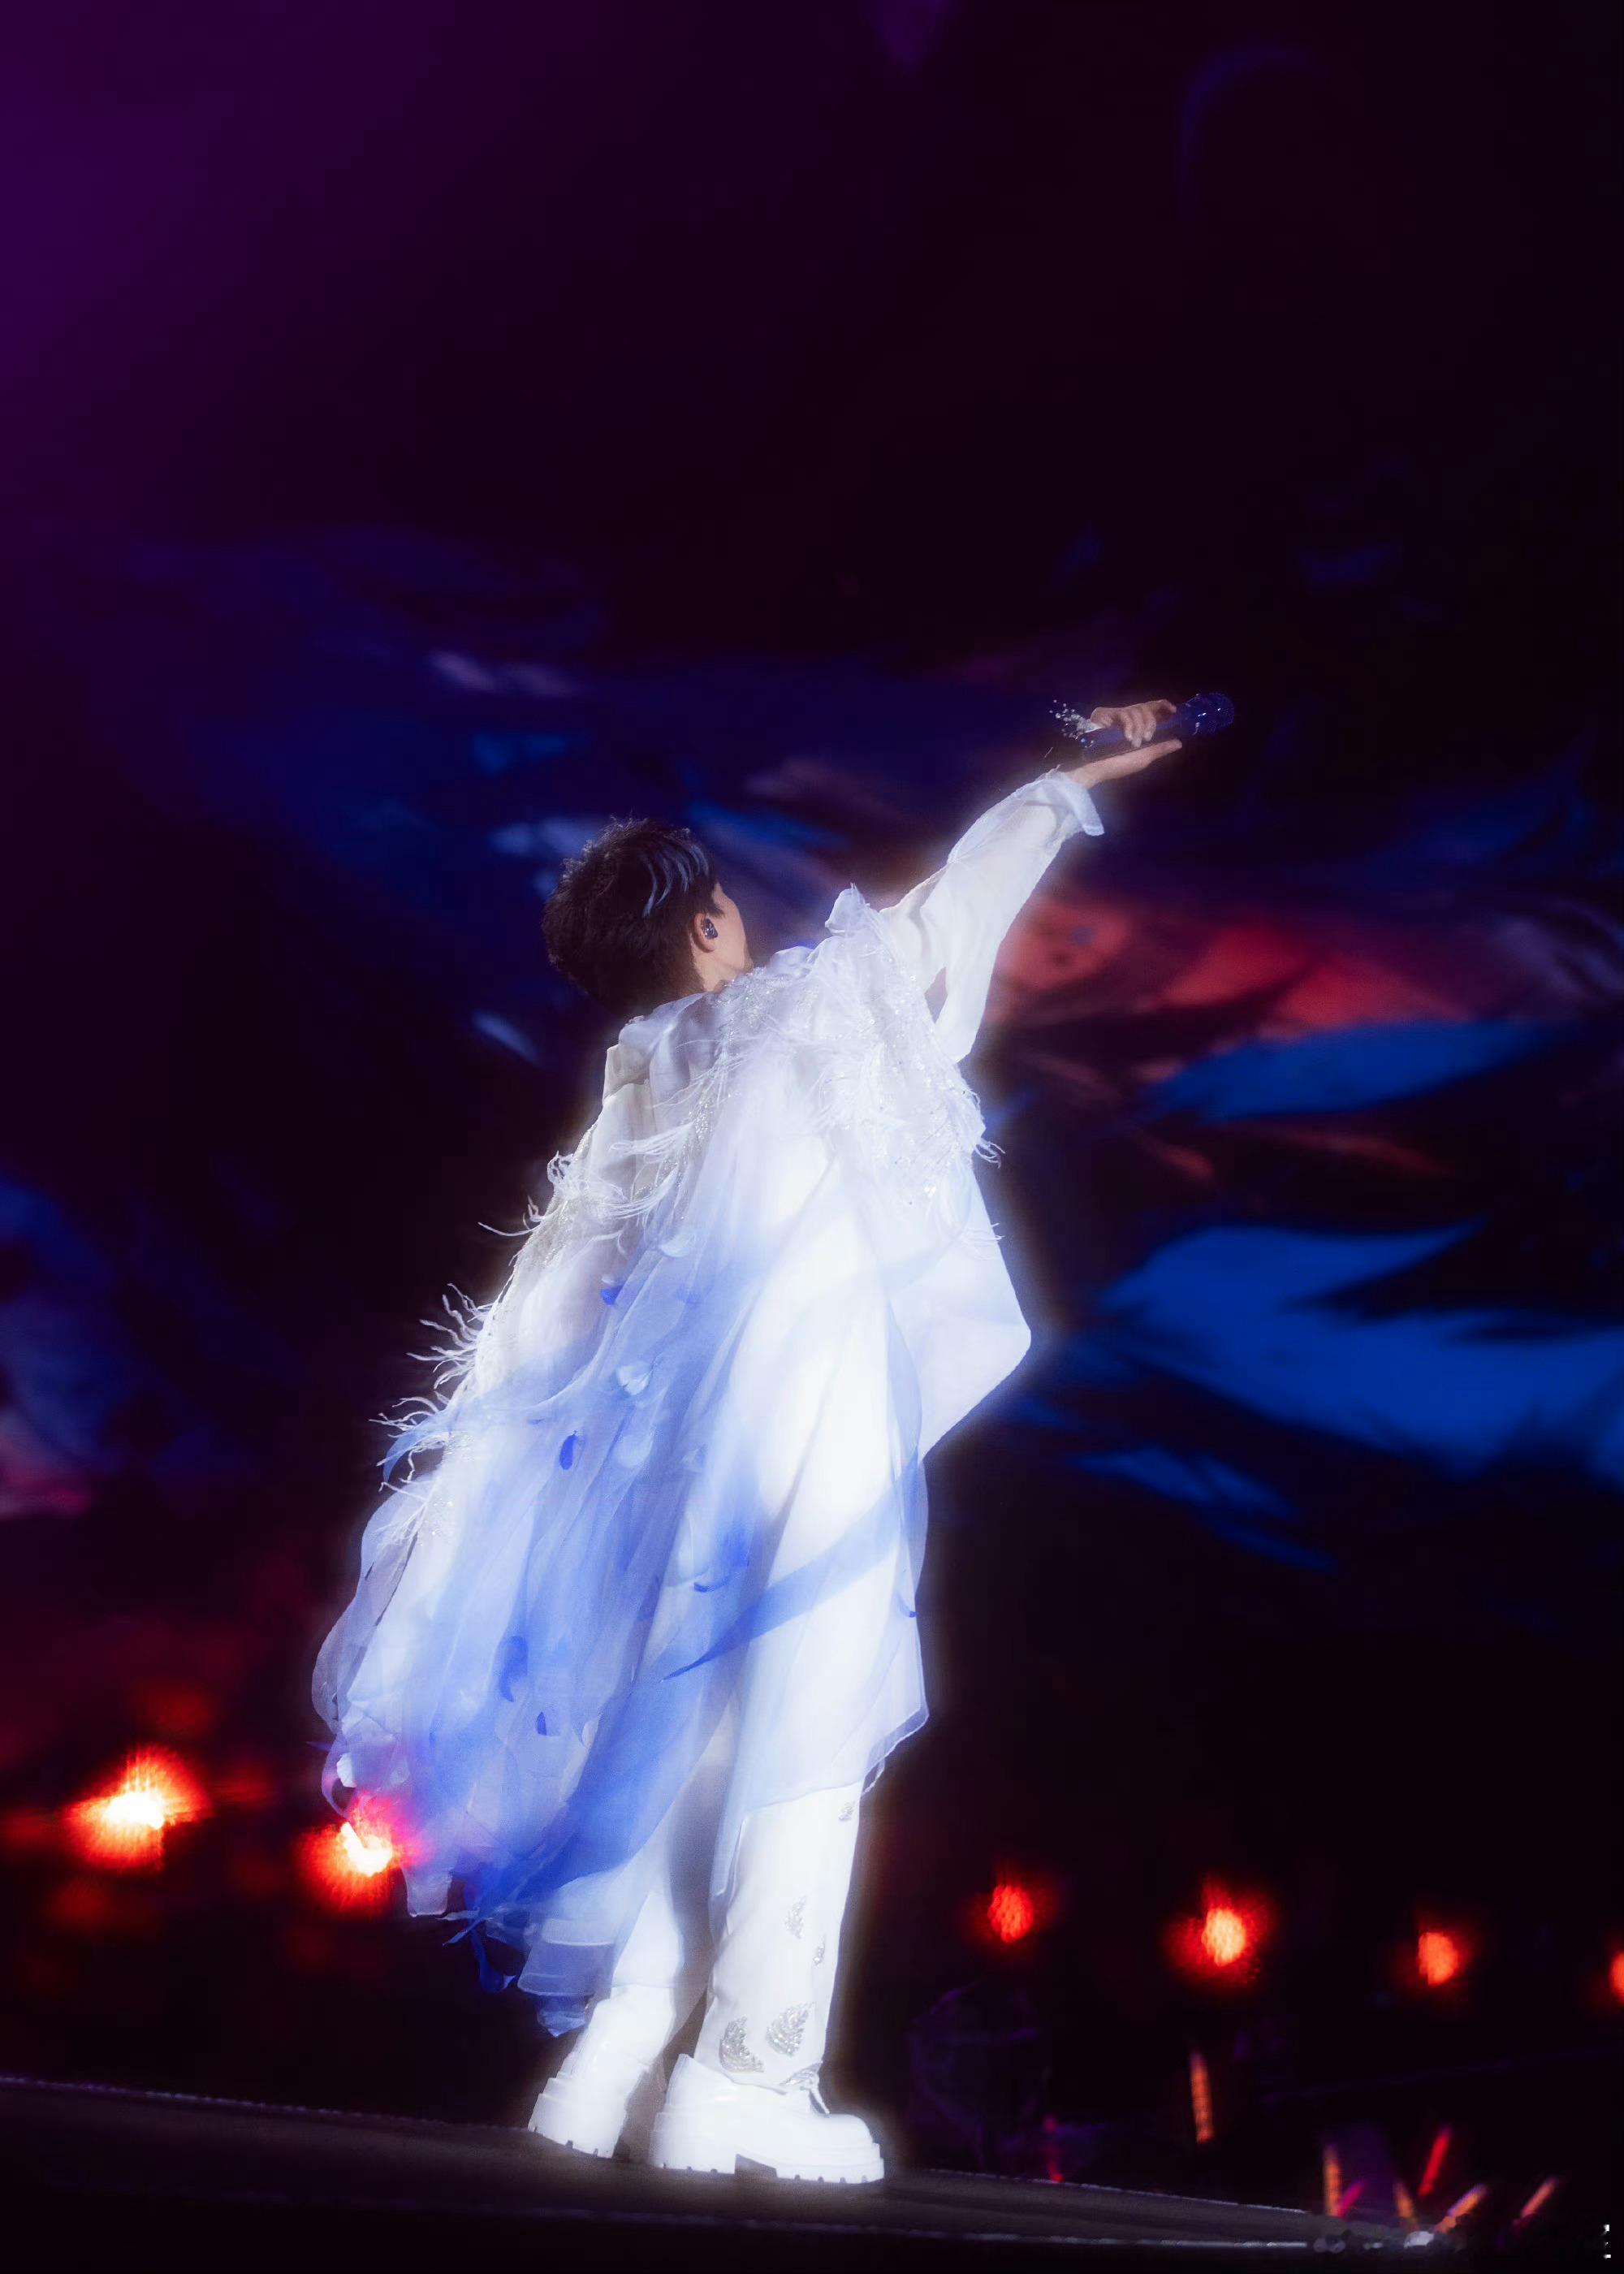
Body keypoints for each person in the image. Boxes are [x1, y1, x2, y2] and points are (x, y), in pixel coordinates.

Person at [313, 700, 1184, 2184]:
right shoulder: (792, 1013)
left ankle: (616, 2050)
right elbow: (945, 919)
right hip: (797, 1442)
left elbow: (547, 1322)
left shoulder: (633, 1088)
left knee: (685, 1748)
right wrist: (1057, 784)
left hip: (659, 1482)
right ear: (712, 923)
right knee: (802, 1736)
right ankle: (748, 2076)